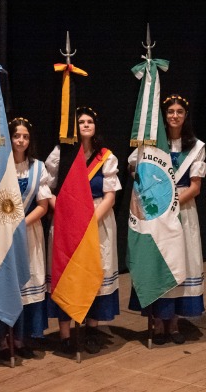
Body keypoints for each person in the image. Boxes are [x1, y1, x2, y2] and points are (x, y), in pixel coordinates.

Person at [128, 94, 206, 345]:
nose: (175, 116)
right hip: (156, 214)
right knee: (157, 261)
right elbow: (134, 170)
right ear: (164, 116)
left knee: (180, 262)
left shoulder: (196, 147)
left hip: (182, 211)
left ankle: (173, 322)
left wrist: (170, 204)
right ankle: (158, 321)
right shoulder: (151, 145)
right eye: (170, 111)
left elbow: (195, 187)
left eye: (179, 112)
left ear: (186, 116)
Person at [45, 107, 121, 354]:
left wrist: (89, 222)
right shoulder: (60, 154)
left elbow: (110, 196)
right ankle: (65, 334)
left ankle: (92, 329)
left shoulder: (105, 157)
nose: (86, 125)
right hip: (67, 222)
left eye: (90, 121)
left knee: (95, 271)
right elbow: (46, 190)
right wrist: (65, 213)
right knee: (67, 273)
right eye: (81, 122)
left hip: (97, 221)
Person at [0, 117, 51, 360]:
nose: (21, 140)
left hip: (28, 234)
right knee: (3, 282)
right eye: (16, 136)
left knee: (26, 285)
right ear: (9, 139)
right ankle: (1, 339)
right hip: (2, 236)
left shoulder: (38, 168)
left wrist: (19, 225)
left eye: (25, 137)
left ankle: (20, 338)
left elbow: (43, 206)